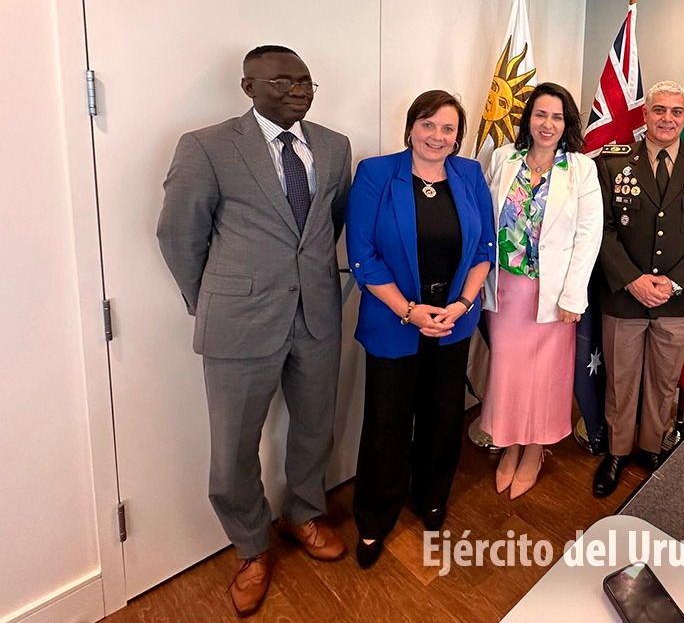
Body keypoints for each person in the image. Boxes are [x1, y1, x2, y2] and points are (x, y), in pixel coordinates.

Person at [157, 45, 352, 617]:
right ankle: (250, 546)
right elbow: (178, 235)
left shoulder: (335, 148)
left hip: (316, 313)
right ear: (248, 87)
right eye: (284, 81)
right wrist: (210, 302)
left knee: (315, 427)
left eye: (307, 81)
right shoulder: (207, 147)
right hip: (238, 322)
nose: (299, 90)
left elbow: (325, 227)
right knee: (233, 446)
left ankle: (305, 515)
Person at [345, 90, 494, 568]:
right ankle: (373, 517)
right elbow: (362, 255)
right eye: (428, 125)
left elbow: (485, 248)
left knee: (443, 414)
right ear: (411, 127)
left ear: (458, 136)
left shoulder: (470, 175)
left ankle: (432, 495)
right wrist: (410, 311)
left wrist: (463, 303)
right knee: (386, 421)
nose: (437, 136)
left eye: (448, 128)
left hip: (453, 318)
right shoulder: (376, 173)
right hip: (395, 319)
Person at [592, 80, 684, 497]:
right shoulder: (613, 163)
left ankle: (651, 446)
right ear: (645, 114)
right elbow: (602, 227)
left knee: (664, 381)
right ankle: (616, 452)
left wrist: (670, 283)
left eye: (676, 112)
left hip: (677, 299)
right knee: (621, 379)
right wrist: (633, 280)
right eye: (659, 110)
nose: (667, 118)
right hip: (624, 295)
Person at [480, 83, 603, 499]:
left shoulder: (581, 169)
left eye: (557, 117)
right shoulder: (502, 159)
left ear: (567, 123)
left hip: (552, 292)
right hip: (507, 289)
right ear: (528, 118)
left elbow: (589, 236)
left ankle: (534, 450)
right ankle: (510, 445)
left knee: (546, 376)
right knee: (509, 372)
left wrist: (572, 295)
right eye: (540, 115)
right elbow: (483, 221)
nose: (547, 124)